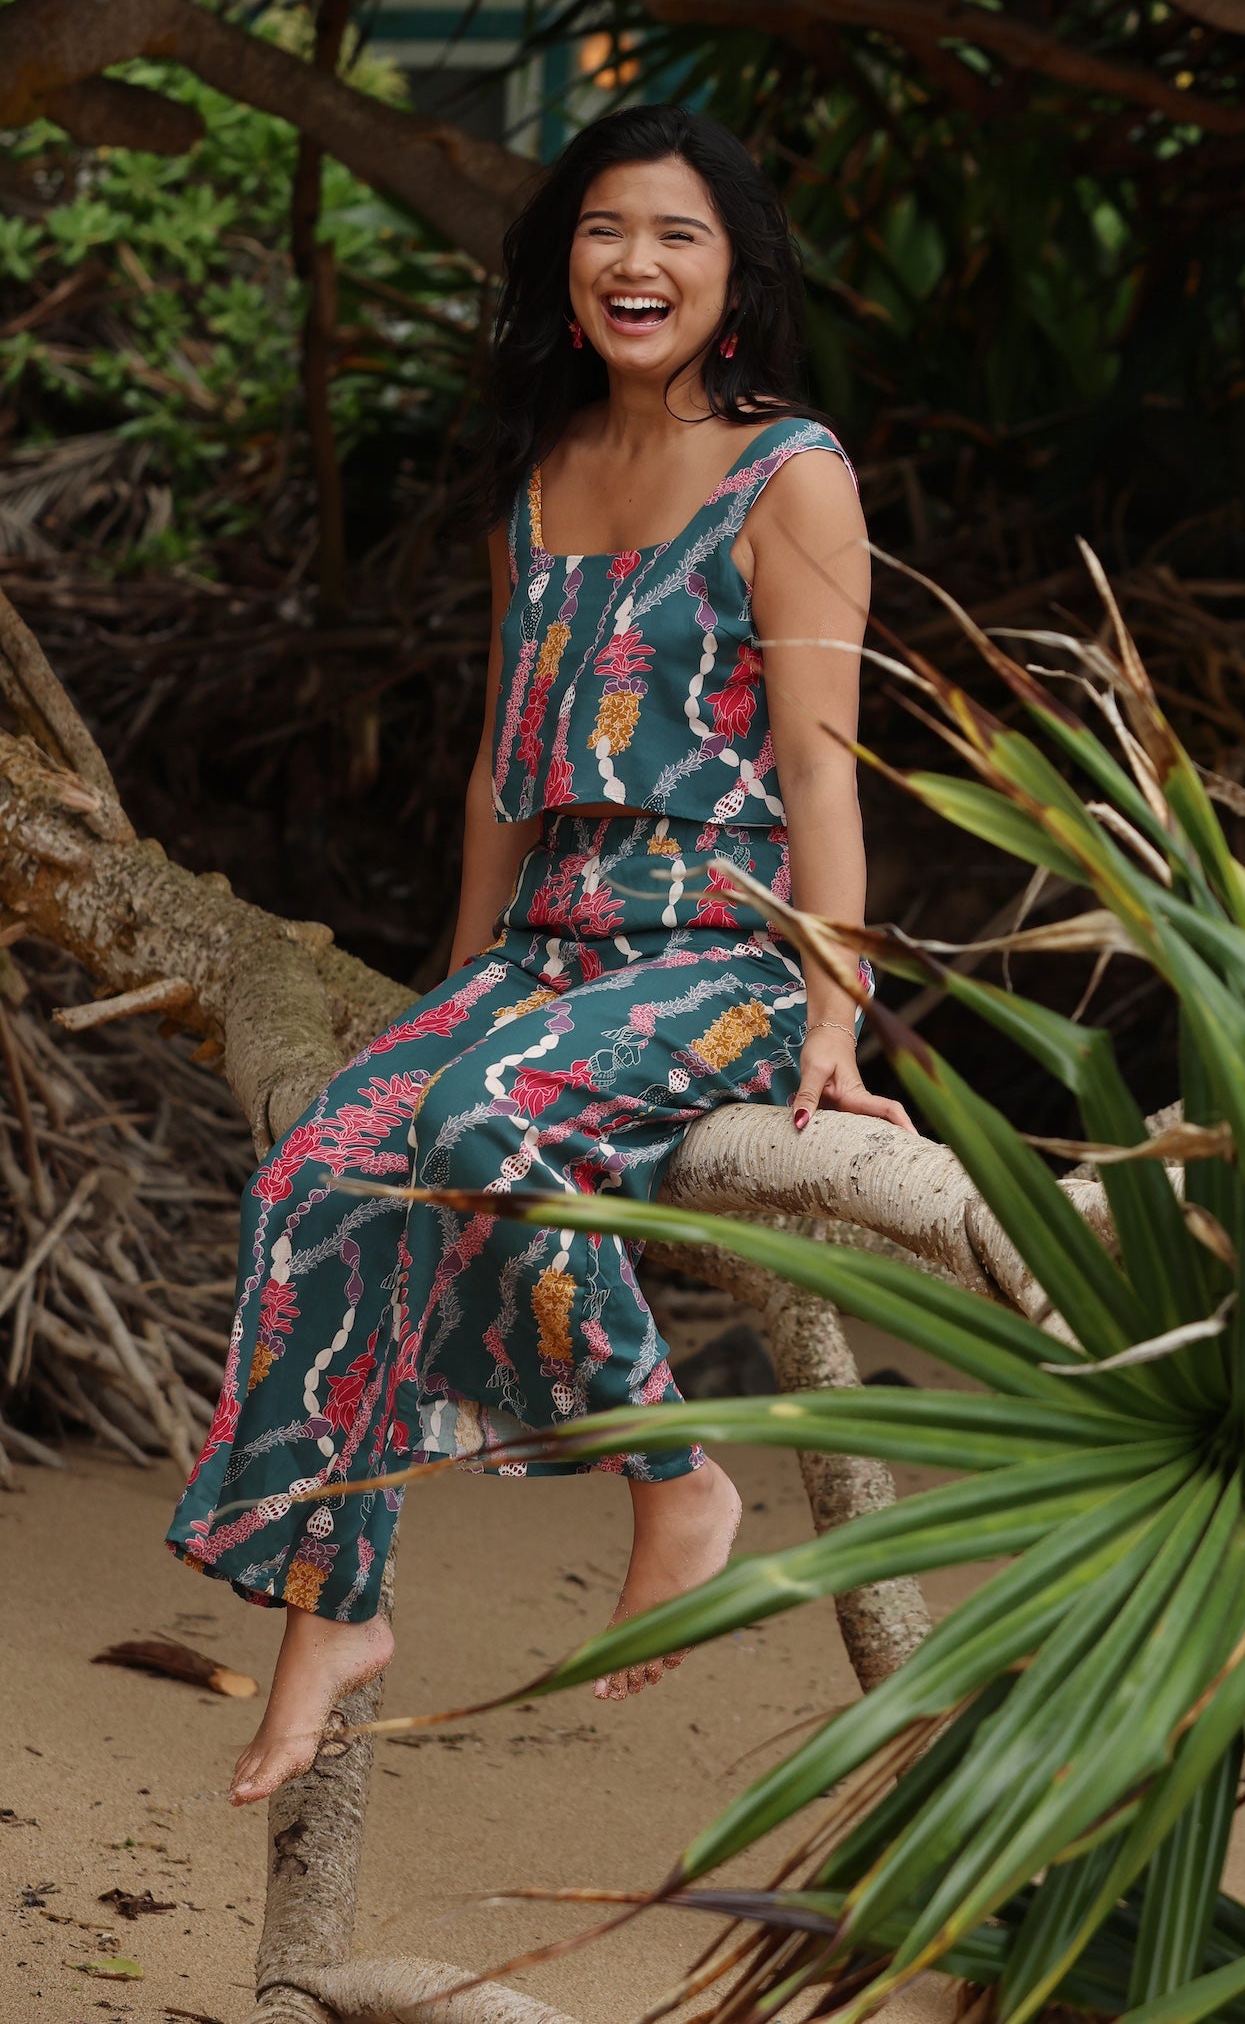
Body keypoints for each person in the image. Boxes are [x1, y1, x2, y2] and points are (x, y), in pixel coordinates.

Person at [166, 104, 913, 1805]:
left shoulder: (789, 473)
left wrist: (836, 1006)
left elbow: (822, 761)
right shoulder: (546, 471)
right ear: (562, 269)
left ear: (738, 277)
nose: (635, 262)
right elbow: (511, 758)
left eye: (678, 235)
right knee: (327, 1164)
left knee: (484, 1134)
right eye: (602, 231)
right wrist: (450, 987)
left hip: (725, 942)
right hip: (553, 944)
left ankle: (677, 1479)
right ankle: (330, 1612)